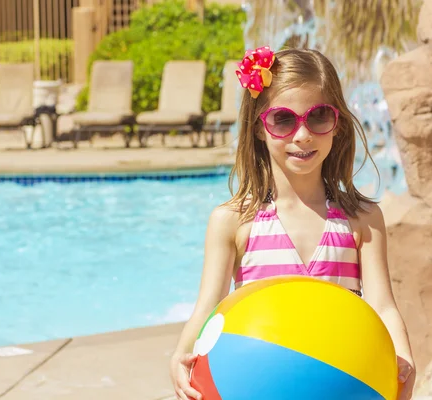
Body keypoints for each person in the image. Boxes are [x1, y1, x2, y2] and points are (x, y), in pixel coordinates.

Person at [169, 46, 416, 400]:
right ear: (258, 128)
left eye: (318, 117)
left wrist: (403, 357)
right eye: (283, 120)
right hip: (259, 386)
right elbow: (208, 308)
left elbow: (382, 306)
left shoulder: (361, 219)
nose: (302, 135)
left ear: (338, 124)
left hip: (340, 384)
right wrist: (182, 355)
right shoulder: (234, 221)